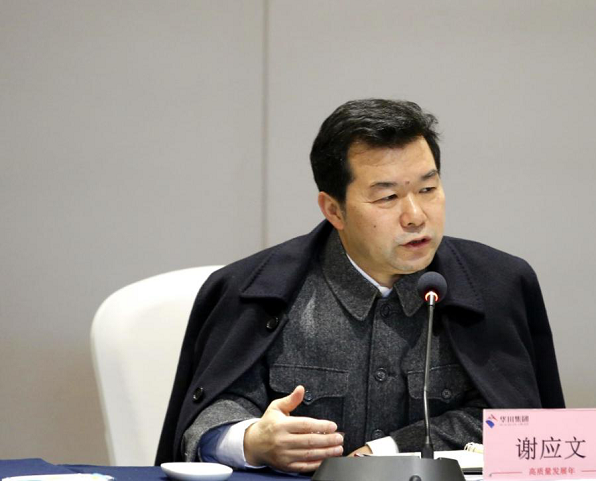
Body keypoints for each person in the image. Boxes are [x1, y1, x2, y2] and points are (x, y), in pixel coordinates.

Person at [155, 98, 564, 472]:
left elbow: (521, 423)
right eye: (387, 198)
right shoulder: (253, 290)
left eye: (428, 189)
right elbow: (208, 417)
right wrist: (251, 442)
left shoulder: (497, 286)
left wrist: (386, 451)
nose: (415, 215)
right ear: (334, 209)